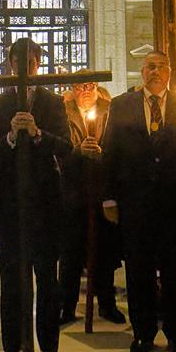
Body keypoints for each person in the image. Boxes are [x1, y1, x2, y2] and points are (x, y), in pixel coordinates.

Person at [102, 50, 176, 352]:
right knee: (139, 270)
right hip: (136, 203)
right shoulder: (121, 106)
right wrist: (109, 198)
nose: (155, 71)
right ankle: (143, 333)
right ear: (142, 71)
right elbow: (110, 153)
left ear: (170, 71)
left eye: (161, 66)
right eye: (150, 66)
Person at [0, 38, 72, 352]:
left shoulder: (52, 101)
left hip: (45, 204)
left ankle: (49, 347)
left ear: (37, 64)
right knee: (11, 281)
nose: (25, 68)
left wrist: (36, 134)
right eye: (18, 63)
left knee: (48, 280)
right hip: (10, 204)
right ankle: (13, 347)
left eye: (31, 62)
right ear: (11, 66)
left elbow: (66, 147)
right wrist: (8, 136)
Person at [59, 77, 125, 325]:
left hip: (103, 190)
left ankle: (107, 304)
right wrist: (78, 152)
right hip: (72, 192)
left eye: (90, 86)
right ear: (72, 90)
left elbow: (120, 148)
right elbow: (59, 148)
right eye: (79, 86)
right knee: (70, 255)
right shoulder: (63, 113)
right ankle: (67, 306)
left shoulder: (111, 111)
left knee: (104, 252)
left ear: (97, 89)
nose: (85, 91)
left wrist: (102, 155)